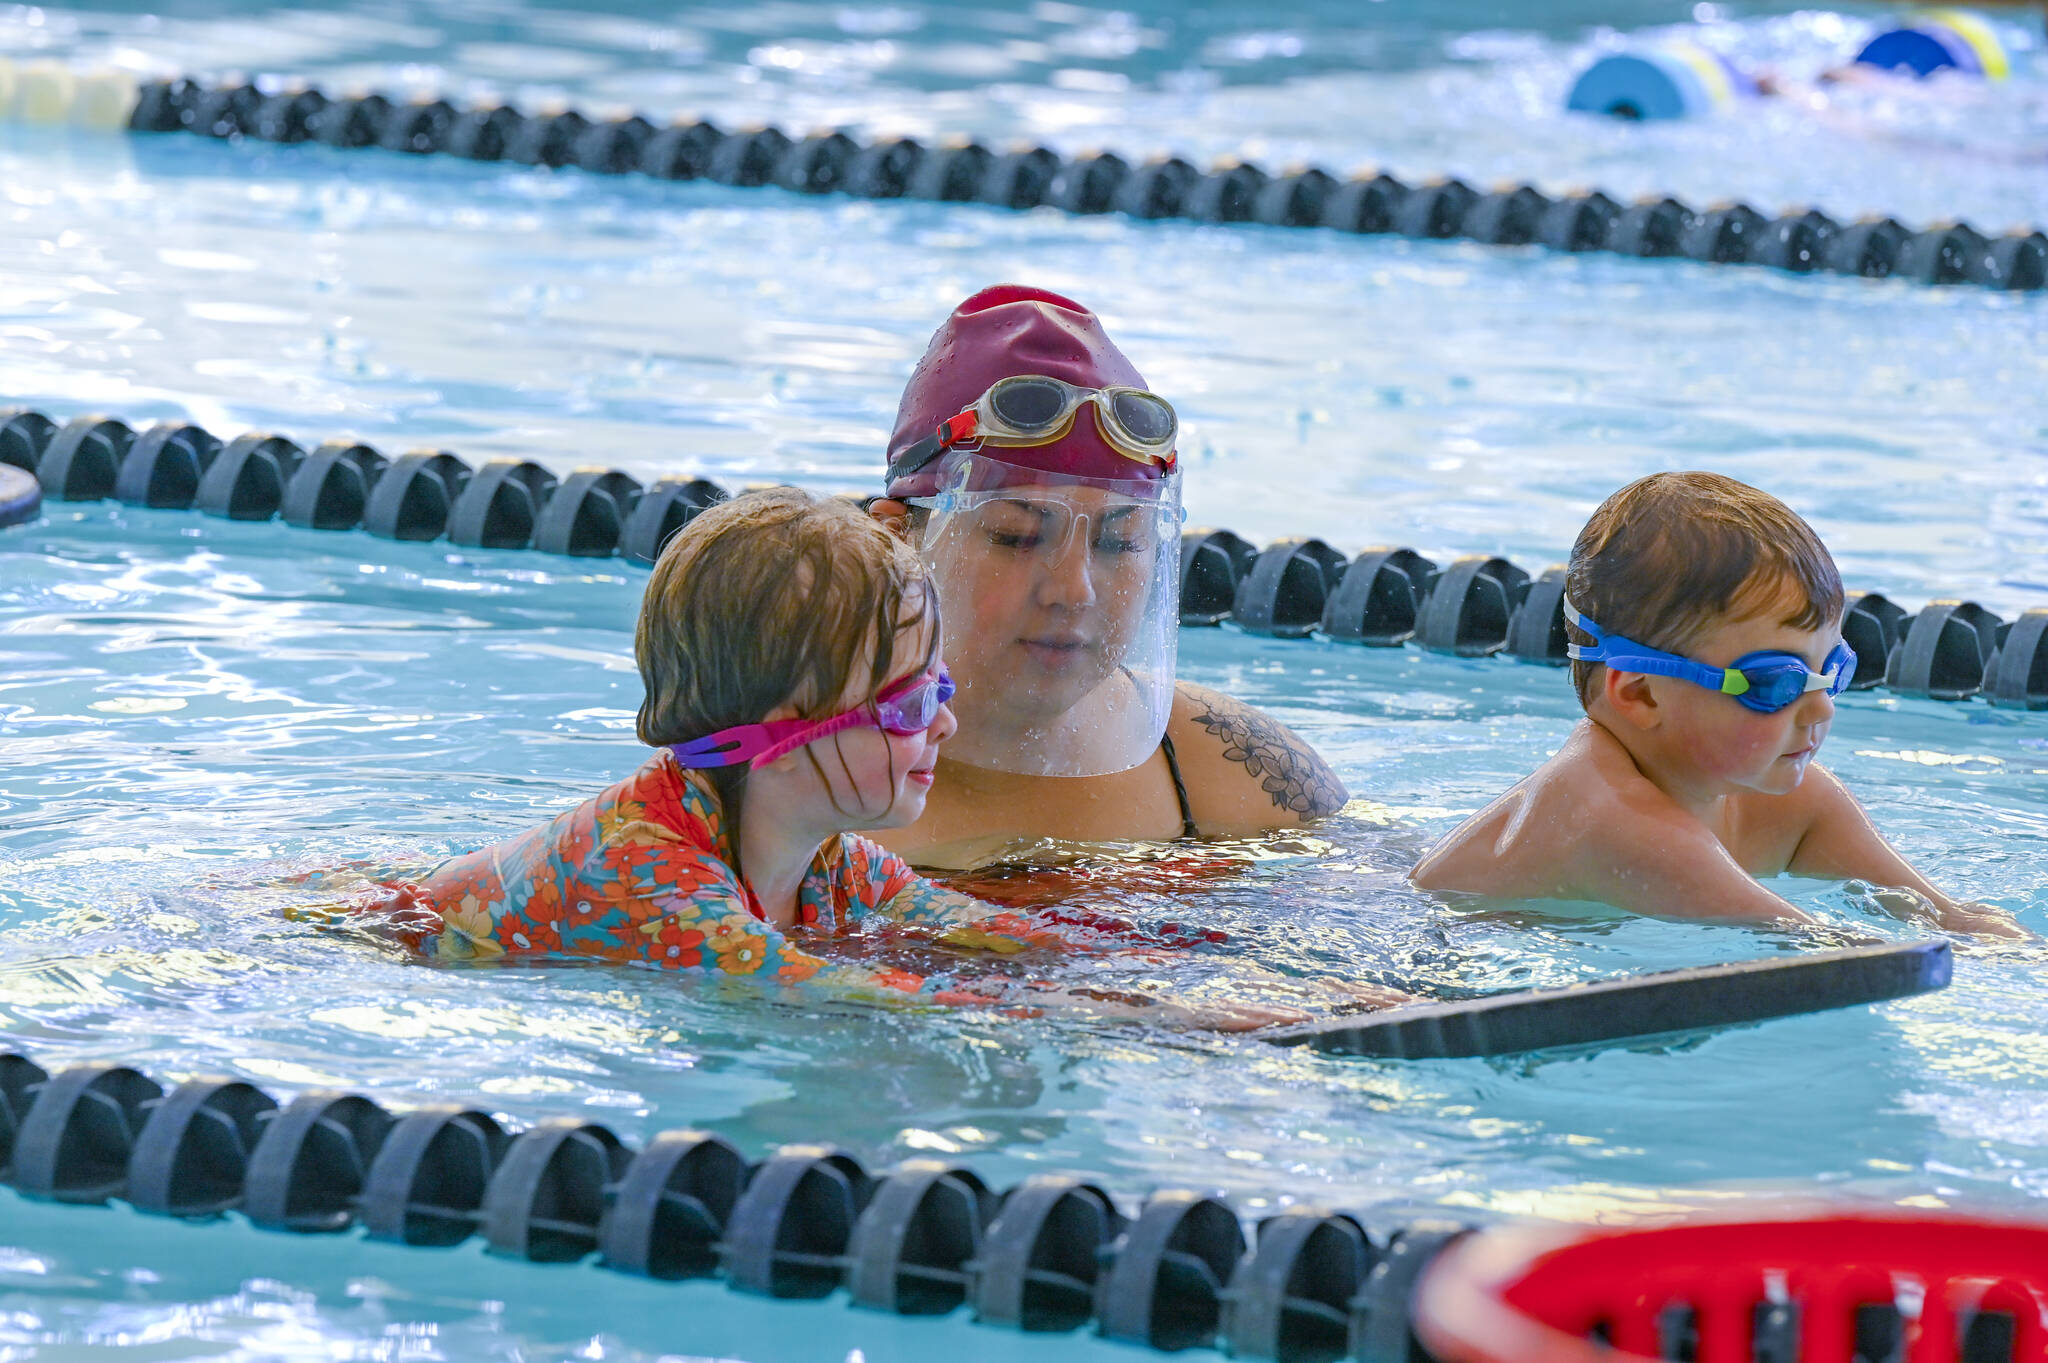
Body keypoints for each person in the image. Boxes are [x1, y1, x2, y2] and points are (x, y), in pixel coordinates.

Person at [311, 488, 1372, 1025]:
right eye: (909, 702)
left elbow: (1007, 943)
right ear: (783, 728)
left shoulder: (822, 855)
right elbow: (854, 1002)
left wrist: (1262, 992)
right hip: (331, 961)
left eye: (939, 688)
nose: (944, 726)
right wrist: (1168, 1035)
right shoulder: (654, 880)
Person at [1410, 472, 2025, 939]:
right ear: (1643, 694)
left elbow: (1954, 925)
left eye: (1832, 669)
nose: (1821, 710)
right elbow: (1819, 954)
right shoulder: (1613, 819)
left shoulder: (1795, 802)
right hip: (1394, 956)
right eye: (1776, 683)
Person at [866, 285, 1349, 868]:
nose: (1075, 590)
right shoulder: (776, 782)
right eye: (1016, 536)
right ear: (897, 542)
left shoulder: (1229, 768)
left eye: (1120, 542)